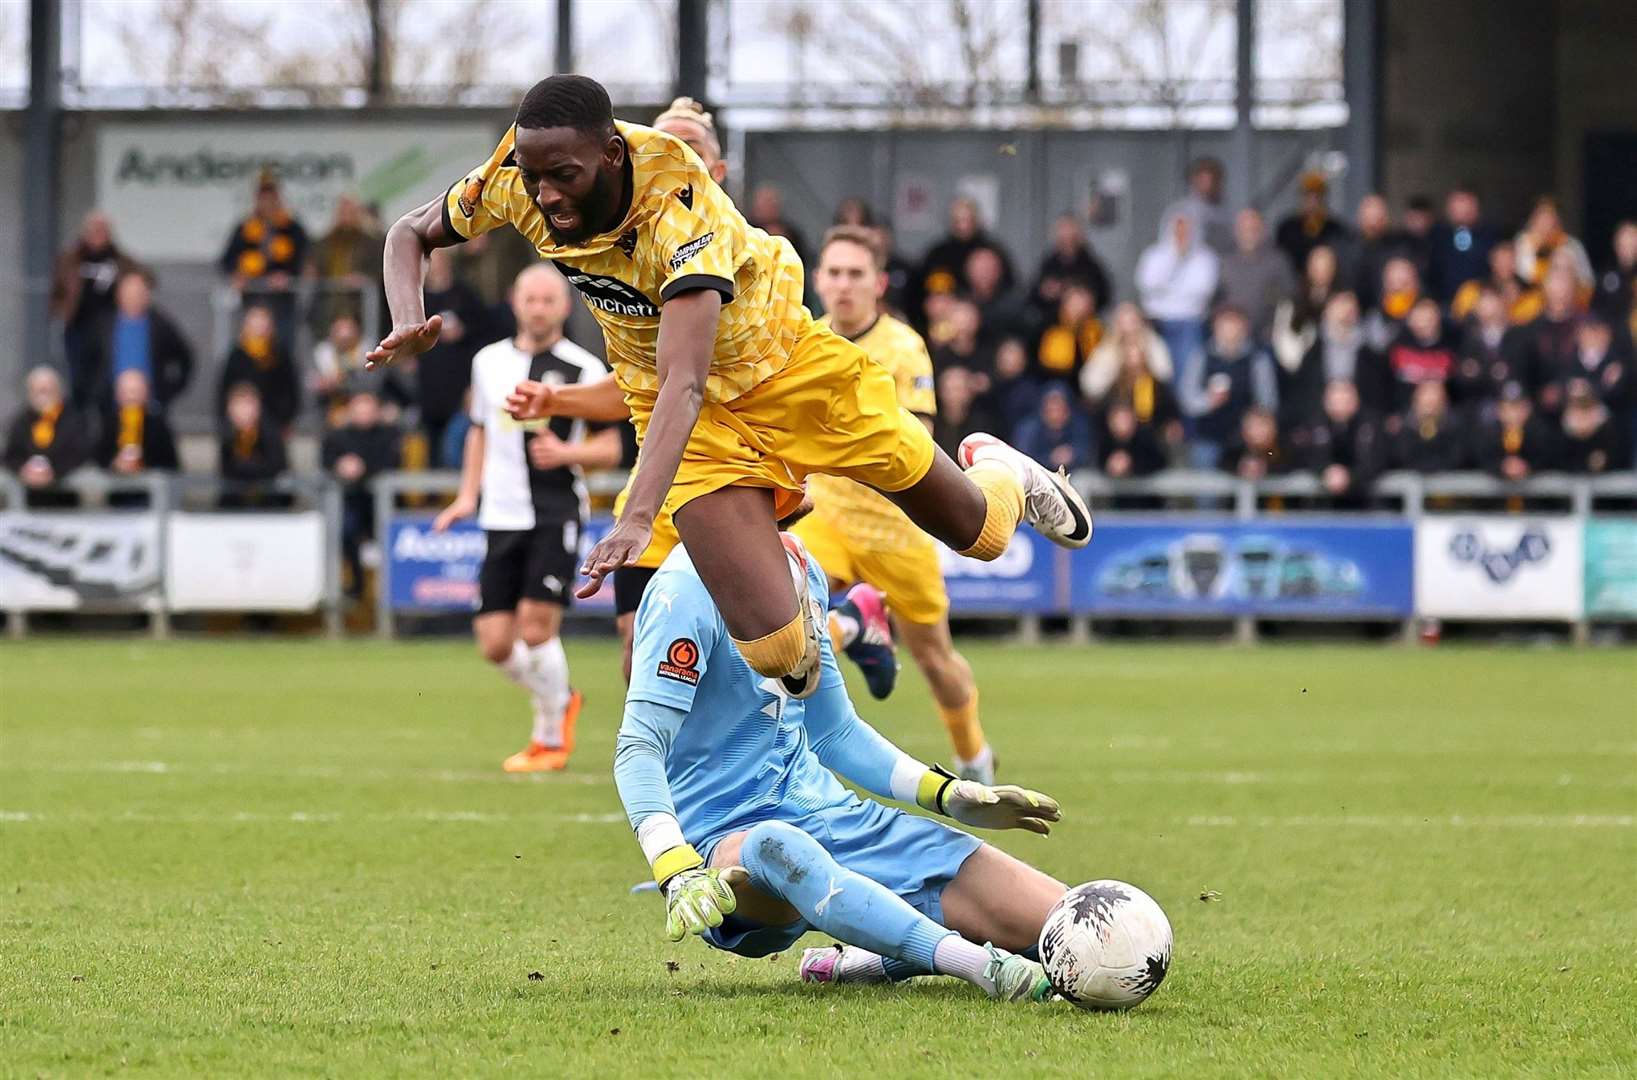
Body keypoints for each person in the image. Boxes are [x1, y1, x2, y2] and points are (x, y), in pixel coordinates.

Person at [372, 75, 1090, 702]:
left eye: (563, 175)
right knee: (781, 657)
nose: (546, 194)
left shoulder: (680, 209)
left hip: (791, 374)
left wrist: (633, 518)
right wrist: (408, 319)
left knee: (984, 536)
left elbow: (688, 376)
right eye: (534, 176)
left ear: (613, 155)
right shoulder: (515, 176)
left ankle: (1002, 470)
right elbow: (409, 232)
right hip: (690, 419)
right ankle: (829, 614)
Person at [613, 533, 1066, 1003]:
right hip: (729, 852)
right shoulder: (684, 590)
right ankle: (979, 967)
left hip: (838, 820)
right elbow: (638, 747)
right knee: (779, 844)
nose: (812, 470)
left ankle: (870, 960)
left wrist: (946, 794)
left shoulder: (802, 567)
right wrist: (674, 867)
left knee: (1080, 927)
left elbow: (835, 732)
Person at [793, 225, 1004, 781]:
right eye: (834, 272)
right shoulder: (804, 340)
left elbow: (916, 440)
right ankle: (854, 631)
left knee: (936, 661)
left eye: (855, 274)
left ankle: (974, 756)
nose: (843, 285)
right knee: (792, 620)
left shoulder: (903, 347)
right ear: (818, 279)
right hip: (826, 514)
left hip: (895, 526)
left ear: (879, 283)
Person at [431, 264, 621, 772]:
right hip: (501, 515)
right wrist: (466, 496)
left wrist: (566, 454)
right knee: (495, 643)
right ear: (515, 302)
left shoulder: (585, 368)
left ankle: (550, 738)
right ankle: (561, 699)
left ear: (564, 306)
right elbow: (477, 431)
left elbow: (611, 445)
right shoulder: (488, 362)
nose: (538, 308)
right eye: (530, 299)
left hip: (555, 510)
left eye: (548, 300)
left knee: (537, 630)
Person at [321, 390, 402, 600]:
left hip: (382, 504)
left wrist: (362, 468)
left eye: (368, 410)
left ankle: (390, 592)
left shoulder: (389, 434)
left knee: (391, 538)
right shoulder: (338, 435)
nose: (364, 415)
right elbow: (326, 460)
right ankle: (356, 585)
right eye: (359, 410)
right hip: (352, 500)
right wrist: (340, 465)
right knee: (345, 532)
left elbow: (391, 462)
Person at [80, 268, 194, 416]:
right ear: (119, 294)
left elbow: (184, 357)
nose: (134, 297)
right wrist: (95, 390)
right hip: (109, 410)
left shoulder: (159, 324)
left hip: (151, 410)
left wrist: (168, 390)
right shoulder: (103, 324)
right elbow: (86, 360)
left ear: (147, 294)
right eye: (129, 291)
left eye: (139, 292)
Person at [415, 249, 490, 467]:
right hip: (428, 386)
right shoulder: (417, 298)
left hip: (459, 385)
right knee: (430, 450)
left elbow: (486, 330)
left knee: (460, 446)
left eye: (438, 260)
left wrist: (463, 331)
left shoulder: (465, 295)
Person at [1178, 305, 1279, 468]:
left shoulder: (1257, 359)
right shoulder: (1202, 356)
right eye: (1226, 327)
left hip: (1246, 440)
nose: (1230, 333)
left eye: (1235, 327)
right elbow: (1187, 398)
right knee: (1207, 487)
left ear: (1244, 328)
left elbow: (1268, 401)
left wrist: (1255, 421)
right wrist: (1208, 401)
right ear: (1216, 328)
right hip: (1209, 436)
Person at [50, 211, 141, 385]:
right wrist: (62, 310)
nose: (98, 235)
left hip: (110, 327)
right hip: (78, 326)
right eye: (94, 230)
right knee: (78, 374)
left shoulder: (120, 260)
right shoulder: (70, 259)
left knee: (108, 374)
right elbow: (57, 291)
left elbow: (145, 278)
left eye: (102, 230)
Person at [1135, 210, 1220, 397]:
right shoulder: (1154, 255)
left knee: (1187, 376)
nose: (1182, 235)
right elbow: (1147, 284)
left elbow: (1202, 291)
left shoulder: (1206, 258)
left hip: (1190, 323)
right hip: (1156, 323)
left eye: (1187, 230)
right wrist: (1175, 258)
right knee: (1157, 374)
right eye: (1178, 229)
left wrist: (1165, 291)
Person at [219, 172, 308, 345]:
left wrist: (287, 277)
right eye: (262, 198)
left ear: (278, 198)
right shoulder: (244, 227)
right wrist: (237, 275)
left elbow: (304, 259)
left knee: (282, 345)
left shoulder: (292, 227)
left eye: (271, 198)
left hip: (282, 302)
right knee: (250, 344)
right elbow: (226, 260)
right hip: (252, 300)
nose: (267, 203)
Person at [1284, 292, 1382, 426]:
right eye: (1339, 305)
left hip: (1362, 425)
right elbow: (1302, 393)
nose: (1345, 311)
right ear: (1326, 312)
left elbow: (1378, 395)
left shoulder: (1370, 353)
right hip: (1318, 424)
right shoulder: (1313, 352)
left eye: (1350, 305)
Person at [5, 367, 92, 508]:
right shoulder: (20, 421)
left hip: (67, 501)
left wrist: (53, 471)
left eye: (47, 390)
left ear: (58, 391)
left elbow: (79, 453)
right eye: (38, 391)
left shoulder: (74, 420)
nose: (42, 396)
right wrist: (23, 469)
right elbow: (11, 455)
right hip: (27, 500)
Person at [1287, 380, 1383, 507]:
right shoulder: (1312, 425)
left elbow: (1376, 460)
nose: (1340, 407)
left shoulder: (1372, 425)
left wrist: (1350, 477)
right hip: (1322, 500)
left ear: (1356, 401)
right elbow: (1305, 456)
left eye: (1345, 401)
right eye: (1335, 402)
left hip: (1366, 500)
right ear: (1325, 402)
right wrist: (1325, 471)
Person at [306, 193, 385, 336]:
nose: (346, 216)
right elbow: (315, 267)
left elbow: (381, 271)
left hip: (359, 307)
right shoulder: (325, 243)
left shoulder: (372, 243)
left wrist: (364, 279)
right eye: (343, 212)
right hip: (329, 307)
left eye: (351, 211)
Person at [217, 305, 301, 433]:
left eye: (263, 323)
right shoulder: (237, 355)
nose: (259, 329)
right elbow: (224, 390)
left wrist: (285, 418)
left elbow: (290, 390)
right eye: (255, 324)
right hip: (241, 423)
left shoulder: (279, 354)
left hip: (273, 422)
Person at [919, 196, 1017, 304]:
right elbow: (926, 291)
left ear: (977, 220)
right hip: (949, 313)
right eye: (957, 220)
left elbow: (1010, 287)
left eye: (968, 219)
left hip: (991, 311)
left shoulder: (992, 252)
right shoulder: (938, 254)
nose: (963, 225)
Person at [1216, 208, 1294, 341]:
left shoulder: (1277, 261)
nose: (1249, 233)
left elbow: (1288, 299)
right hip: (1231, 340)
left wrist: (1274, 327)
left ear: (1262, 230)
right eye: (1244, 228)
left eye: (1253, 228)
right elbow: (1215, 301)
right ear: (1236, 231)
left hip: (1266, 337)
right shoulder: (1225, 262)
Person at [1271, 244, 1343, 373]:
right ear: (1309, 267)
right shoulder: (1292, 302)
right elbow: (1282, 339)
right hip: (1300, 370)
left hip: (1333, 370)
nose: (1322, 271)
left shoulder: (1343, 300)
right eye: (1317, 266)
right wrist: (1299, 365)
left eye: (1327, 266)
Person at [95, 369, 180, 479]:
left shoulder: (157, 425)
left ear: (146, 393)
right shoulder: (109, 425)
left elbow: (170, 463)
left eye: (136, 391)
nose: (132, 397)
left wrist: (143, 463)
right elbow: (99, 459)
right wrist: (115, 464)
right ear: (118, 395)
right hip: (117, 488)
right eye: (127, 392)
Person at [1380, 297, 1457, 415]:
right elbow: (1385, 384)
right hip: (1403, 414)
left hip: (1444, 416)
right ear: (1410, 320)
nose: (1425, 323)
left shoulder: (1450, 347)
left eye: (1429, 318)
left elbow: (1456, 387)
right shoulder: (1396, 347)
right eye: (1420, 318)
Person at [217, 382, 289, 508]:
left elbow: (274, 467)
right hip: (235, 505)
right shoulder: (228, 436)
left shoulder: (270, 433)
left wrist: (245, 468)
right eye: (237, 405)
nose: (242, 411)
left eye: (246, 405)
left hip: (270, 504)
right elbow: (227, 470)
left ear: (257, 407)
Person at [1029, 213, 1112, 318]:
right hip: (1051, 321)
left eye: (1071, 234)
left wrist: (1083, 297)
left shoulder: (1091, 265)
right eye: (1063, 233)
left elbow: (1104, 295)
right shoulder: (1048, 264)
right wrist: (1045, 292)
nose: (1067, 236)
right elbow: (1034, 293)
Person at [1473, 382, 1556, 481]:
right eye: (1508, 408)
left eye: (1518, 408)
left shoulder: (1540, 432)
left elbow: (1548, 457)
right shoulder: (1488, 434)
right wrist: (1501, 467)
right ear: (1498, 410)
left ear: (1528, 409)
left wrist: (1529, 467)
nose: (1513, 414)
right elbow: (1481, 459)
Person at [1426, 185, 1496, 302]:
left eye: (1466, 203)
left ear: (1476, 207)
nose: (1461, 209)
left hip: (1480, 303)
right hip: (1442, 304)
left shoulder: (1489, 235)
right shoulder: (1436, 235)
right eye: (1456, 204)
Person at [1274, 171, 1349, 276]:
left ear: (1323, 198)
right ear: (1301, 198)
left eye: (1317, 196)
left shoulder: (1335, 229)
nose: (1312, 201)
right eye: (1307, 196)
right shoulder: (1287, 228)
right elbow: (1280, 262)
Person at [1514, 196, 1593, 292]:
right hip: (1531, 299)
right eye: (1541, 215)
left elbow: (1587, 280)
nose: (1545, 221)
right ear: (1532, 219)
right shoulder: (1523, 242)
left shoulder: (1571, 244)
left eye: (1550, 216)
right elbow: (1524, 275)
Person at [1162, 156, 1233, 255]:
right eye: (1203, 180)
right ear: (1193, 181)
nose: (1208, 184)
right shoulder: (1179, 210)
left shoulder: (1227, 211)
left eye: (1213, 179)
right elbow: (1168, 247)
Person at [1014, 384, 1092, 473]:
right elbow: (1023, 461)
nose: (1055, 415)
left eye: (1060, 409)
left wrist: (1073, 454)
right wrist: (1050, 459)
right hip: (1037, 477)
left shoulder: (1078, 425)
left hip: (1072, 475)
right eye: (1051, 410)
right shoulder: (1028, 429)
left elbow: (1087, 452)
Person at [1392, 381, 1468, 473]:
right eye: (1427, 401)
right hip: (1410, 478)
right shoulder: (1404, 427)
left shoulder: (1455, 427)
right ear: (1416, 400)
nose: (1431, 404)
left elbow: (1457, 456)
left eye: (1435, 400)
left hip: (1447, 478)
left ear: (1444, 401)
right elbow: (1402, 455)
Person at [1032, 283, 1103, 380]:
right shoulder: (1050, 326)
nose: (1079, 309)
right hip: (1052, 379)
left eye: (1084, 305)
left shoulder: (1094, 330)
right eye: (1075, 303)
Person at [1593, 220, 1637, 326]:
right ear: (1616, 245)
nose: (1628, 249)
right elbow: (1595, 312)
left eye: (1632, 244)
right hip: (1611, 336)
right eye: (1624, 244)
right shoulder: (1605, 278)